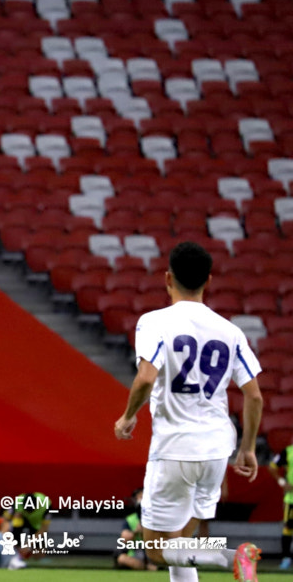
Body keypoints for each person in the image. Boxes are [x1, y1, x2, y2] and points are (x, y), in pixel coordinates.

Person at [114, 241, 264, 582]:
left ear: (168, 278)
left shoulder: (154, 322)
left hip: (175, 449)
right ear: (208, 280)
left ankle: (230, 557)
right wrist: (248, 448)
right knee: (180, 543)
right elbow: (254, 397)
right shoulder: (230, 331)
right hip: (216, 452)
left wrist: (128, 416)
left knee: (156, 549)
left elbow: (146, 378)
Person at [5, 491, 50, 569]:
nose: (29, 513)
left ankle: (33, 558)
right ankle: (17, 556)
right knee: (15, 527)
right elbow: (5, 519)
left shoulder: (46, 505)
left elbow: (44, 528)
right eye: (27, 511)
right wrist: (8, 536)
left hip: (36, 524)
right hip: (20, 521)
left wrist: (28, 544)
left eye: (31, 511)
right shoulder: (17, 503)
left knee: (39, 553)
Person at [115, 488, 158, 571]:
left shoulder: (156, 517)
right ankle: (145, 567)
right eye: (138, 497)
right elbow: (124, 538)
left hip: (153, 552)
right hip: (136, 553)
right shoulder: (131, 519)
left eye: (142, 496)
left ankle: (154, 566)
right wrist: (136, 531)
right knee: (122, 558)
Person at [268, 433, 293, 569]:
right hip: (291, 499)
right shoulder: (288, 451)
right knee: (288, 528)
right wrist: (282, 482)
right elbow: (272, 467)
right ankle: (286, 558)